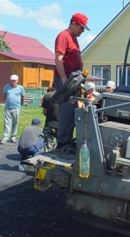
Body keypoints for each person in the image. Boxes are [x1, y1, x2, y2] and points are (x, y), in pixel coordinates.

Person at [54, 12, 89, 155]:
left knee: (74, 111)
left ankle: (68, 140)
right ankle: (62, 142)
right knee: (66, 111)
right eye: (81, 28)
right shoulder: (63, 36)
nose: (82, 31)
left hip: (73, 80)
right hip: (66, 80)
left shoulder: (73, 38)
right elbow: (58, 59)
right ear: (73, 24)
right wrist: (63, 78)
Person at [1, 74, 25, 144]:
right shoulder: (7, 87)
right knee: (6, 123)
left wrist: (20, 103)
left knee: (15, 122)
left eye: (14, 80)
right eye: (12, 80)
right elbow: (5, 96)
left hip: (16, 107)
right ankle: (5, 137)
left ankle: (13, 137)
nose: (13, 81)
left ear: (17, 81)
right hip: (8, 107)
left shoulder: (20, 88)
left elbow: (23, 97)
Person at [41, 86, 59, 152]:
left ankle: (47, 160)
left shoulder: (47, 96)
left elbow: (44, 111)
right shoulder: (65, 95)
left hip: (49, 123)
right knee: (62, 147)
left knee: (48, 147)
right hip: (61, 126)